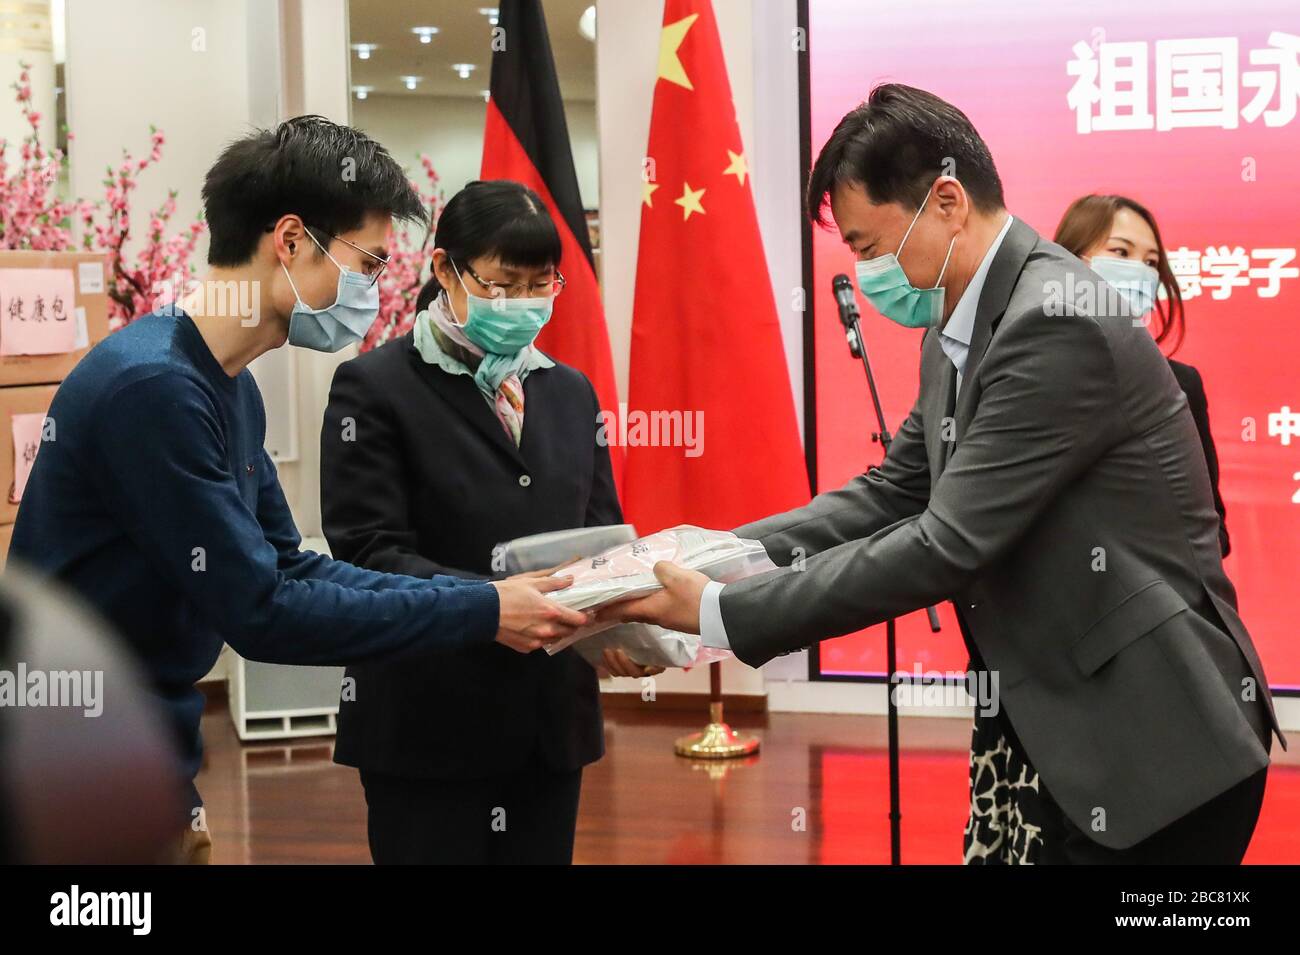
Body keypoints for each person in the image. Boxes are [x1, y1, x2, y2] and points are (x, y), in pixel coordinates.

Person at [607, 84, 1284, 864]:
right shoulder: (957, 321)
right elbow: (891, 491)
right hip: (1058, 730)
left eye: (867, 246)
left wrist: (722, 611)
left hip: (1153, 748)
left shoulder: (1051, 320)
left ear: (948, 201)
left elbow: (943, 544)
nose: (865, 273)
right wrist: (701, 555)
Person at [7, 116, 586, 863]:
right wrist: (482, 609)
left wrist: (487, 604)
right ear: (290, 241)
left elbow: (293, 563)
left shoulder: (229, 387)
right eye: (368, 265)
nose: (375, 292)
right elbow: (262, 609)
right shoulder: (153, 389)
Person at [319, 179, 654, 865]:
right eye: (503, 284)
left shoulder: (568, 391)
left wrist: (618, 620)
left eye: (541, 285)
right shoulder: (375, 389)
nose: (522, 304)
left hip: (549, 724)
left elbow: (603, 533)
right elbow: (369, 555)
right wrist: (491, 605)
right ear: (445, 269)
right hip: (428, 724)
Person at [1055, 194, 1230, 556]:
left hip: (1157, 599)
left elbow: (1213, 527)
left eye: (1151, 262)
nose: (1140, 272)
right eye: (1120, 253)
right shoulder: (1023, 373)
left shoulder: (1180, 384)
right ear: (1068, 261)